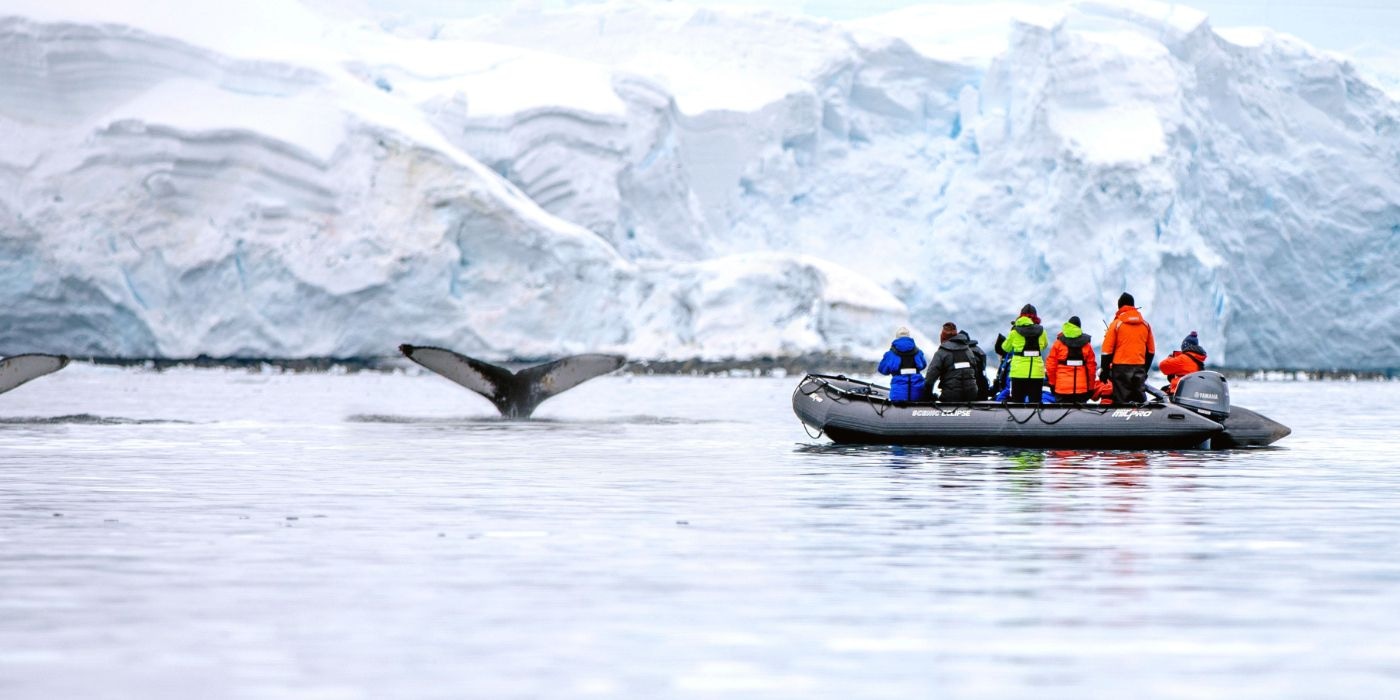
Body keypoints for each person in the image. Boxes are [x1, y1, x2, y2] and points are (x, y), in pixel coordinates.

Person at [1099, 292, 1155, 405]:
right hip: (1139, 367)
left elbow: (1106, 351)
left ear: (1120, 306)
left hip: (1120, 369)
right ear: (1133, 306)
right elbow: (1151, 351)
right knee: (1140, 399)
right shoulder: (1145, 325)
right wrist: (1145, 370)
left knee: (1121, 401)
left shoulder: (1116, 324)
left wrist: (1104, 371)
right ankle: (1142, 420)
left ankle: (1121, 421)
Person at [924, 322, 989, 403]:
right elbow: (976, 373)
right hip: (971, 394)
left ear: (943, 337)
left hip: (951, 395)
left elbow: (930, 378)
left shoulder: (942, 352)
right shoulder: (968, 351)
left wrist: (927, 397)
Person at [1045, 315, 1098, 403]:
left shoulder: (1058, 344)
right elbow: (1091, 369)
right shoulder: (1087, 345)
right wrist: (1090, 387)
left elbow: (1051, 366)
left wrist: (1053, 384)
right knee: (1081, 415)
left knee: (1061, 415)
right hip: (1081, 389)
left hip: (1062, 388)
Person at [1000, 304, 1047, 403]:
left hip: (1018, 372)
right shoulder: (1042, 331)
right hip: (1036, 372)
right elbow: (1044, 346)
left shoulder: (1014, 331)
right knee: (1035, 404)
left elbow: (1005, 347)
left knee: (1017, 404)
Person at [877, 326, 926, 403]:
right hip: (918, 394)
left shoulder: (890, 354)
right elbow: (923, 365)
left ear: (897, 338)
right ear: (909, 337)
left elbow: (882, 370)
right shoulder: (918, 352)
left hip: (898, 396)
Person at [1159, 331, 1208, 395]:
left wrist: (1170, 357)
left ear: (1185, 345)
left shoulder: (1183, 359)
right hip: (1191, 392)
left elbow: (1163, 366)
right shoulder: (1198, 359)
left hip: (1179, 393)